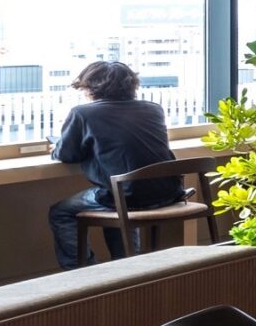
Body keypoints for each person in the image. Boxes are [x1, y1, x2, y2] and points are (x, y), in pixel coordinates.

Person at [47, 60, 180, 269]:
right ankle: (126, 267)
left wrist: (57, 146)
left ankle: (82, 273)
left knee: (62, 212)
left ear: (91, 88)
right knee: (117, 196)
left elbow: (67, 154)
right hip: (169, 193)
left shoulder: (83, 113)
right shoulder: (153, 109)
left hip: (126, 197)